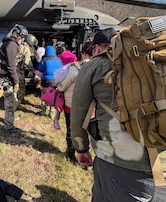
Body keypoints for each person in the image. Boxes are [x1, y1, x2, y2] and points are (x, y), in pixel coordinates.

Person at [70, 28, 166, 202]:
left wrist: (81, 149)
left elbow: (78, 114)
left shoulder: (95, 65)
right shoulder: (159, 58)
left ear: (97, 48)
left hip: (119, 163)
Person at [56, 43, 93, 163]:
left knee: (71, 130)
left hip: (72, 107)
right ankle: (87, 155)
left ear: (83, 54)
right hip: (91, 108)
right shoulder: (97, 68)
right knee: (88, 131)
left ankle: (71, 154)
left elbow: (62, 86)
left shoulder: (74, 68)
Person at [0, 24, 28, 133]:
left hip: (5, 77)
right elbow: (11, 66)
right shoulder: (12, 45)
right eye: (22, 36)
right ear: (17, 35)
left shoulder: (8, 43)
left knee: (11, 100)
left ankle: (9, 119)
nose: (23, 40)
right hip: (7, 79)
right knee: (10, 102)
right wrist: (16, 81)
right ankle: (9, 127)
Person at [37, 45, 62, 115]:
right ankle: (52, 113)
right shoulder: (59, 59)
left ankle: (43, 110)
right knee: (53, 96)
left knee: (44, 95)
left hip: (46, 81)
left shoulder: (45, 60)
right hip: (55, 81)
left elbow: (40, 69)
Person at [17, 34, 37, 106]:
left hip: (12, 69)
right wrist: (32, 71)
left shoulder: (18, 44)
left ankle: (17, 100)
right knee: (21, 87)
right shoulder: (26, 48)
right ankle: (18, 102)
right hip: (19, 70)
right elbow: (27, 62)